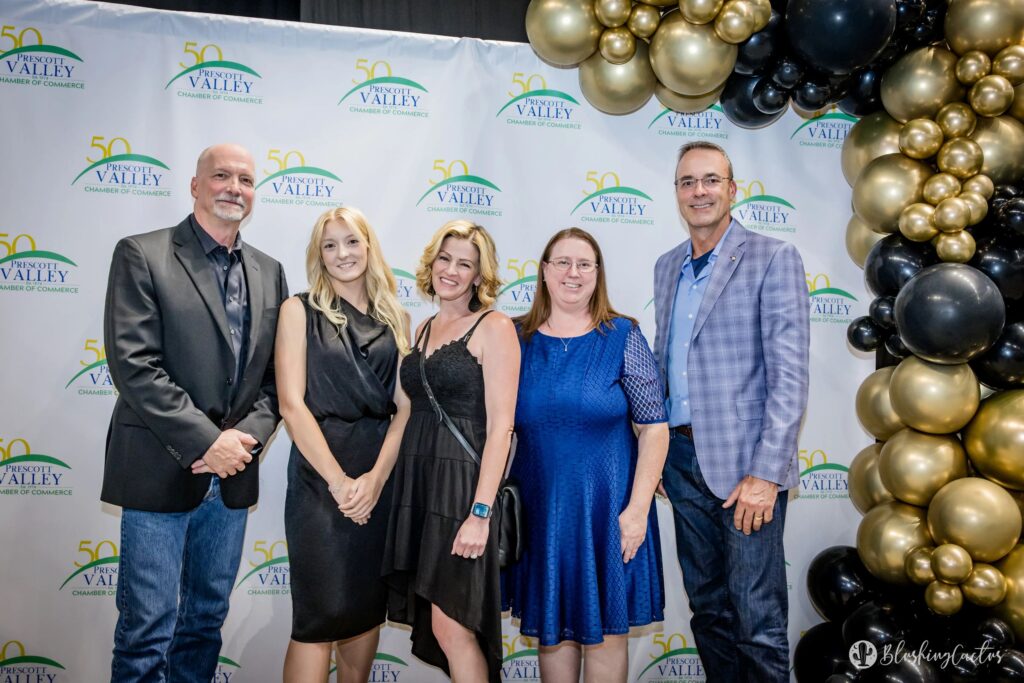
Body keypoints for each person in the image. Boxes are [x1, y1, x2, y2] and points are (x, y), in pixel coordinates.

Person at [101, 143, 289, 682]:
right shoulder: (142, 253)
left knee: (205, 623)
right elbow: (135, 364)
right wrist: (210, 442)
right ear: (195, 185)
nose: (235, 187)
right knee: (146, 631)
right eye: (222, 176)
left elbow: (278, 379)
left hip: (231, 478)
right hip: (162, 468)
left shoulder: (269, 272)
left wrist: (240, 443)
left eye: (246, 180)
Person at [652, 141, 809, 682]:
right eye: (687, 182)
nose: (699, 191)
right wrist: (654, 455)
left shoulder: (773, 257)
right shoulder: (667, 265)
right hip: (680, 462)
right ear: (676, 193)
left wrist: (766, 475)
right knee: (709, 611)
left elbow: (790, 376)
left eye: (710, 180)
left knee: (757, 619)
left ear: (732, 189)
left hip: (747, 470)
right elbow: (663, 360)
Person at [504, 228, 669, 683]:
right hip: (541, 512)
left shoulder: (622, 335)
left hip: (610, 510)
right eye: (562, 262)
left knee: (606, 635)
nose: (573, 273)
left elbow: (653, 428)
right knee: (552, 633)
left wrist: (637, 511)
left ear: (598, 274)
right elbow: (498, 429)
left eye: (584, 264)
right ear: (544, 270)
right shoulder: (515, 338)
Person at [275, 206, 411, 681]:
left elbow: (404, 410)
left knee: (362, 611)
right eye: (329, 245)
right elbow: (292, 405)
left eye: (351, 241)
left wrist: (375, 480)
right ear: (318, 255)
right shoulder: (298, 310)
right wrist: (338, 482)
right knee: (318, 619)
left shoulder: (398, 316)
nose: (342, 253)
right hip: (319, 480)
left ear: (368, 246)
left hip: (378, 477)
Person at [381, 220, 520, 683]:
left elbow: (502, 428)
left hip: (462, 491)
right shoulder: (422, 329)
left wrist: (480, 512)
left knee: (455, 625)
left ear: (480, 276)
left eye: (466, 264)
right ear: (431, 262)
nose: (452, 270)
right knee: (443, 625)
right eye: (445, 259)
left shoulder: (494, 326)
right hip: (420, 487)